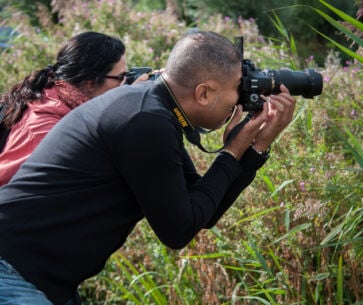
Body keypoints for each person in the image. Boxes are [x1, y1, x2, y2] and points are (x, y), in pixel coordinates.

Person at [0, 31, 296, 305]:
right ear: (203, 93)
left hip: (31, 274)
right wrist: (232, 151)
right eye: (236, 90)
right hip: (12, 271)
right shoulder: (145, 120)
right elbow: (178, 232)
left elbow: (201, 212)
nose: (238, 103)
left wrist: (254, 149)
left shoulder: (150, 109)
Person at [0, 31, 130, 186]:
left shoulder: (61, 98)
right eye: (120, 78)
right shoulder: (43, 130)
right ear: (89, 82)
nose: (125, 84)